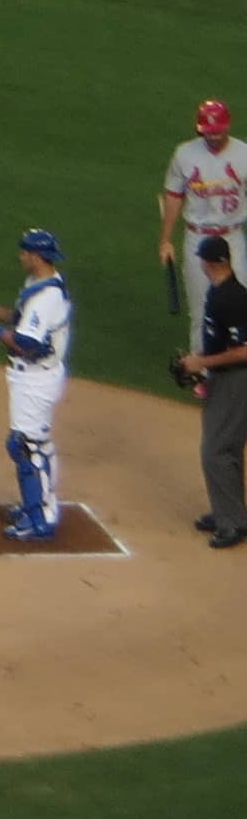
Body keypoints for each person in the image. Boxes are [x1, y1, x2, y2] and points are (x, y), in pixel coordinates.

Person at [0, 227, 69, 540]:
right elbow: (21, 319)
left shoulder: (46, 298)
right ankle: (40, 505)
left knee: (23, 445)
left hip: (35, 378)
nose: (21, 256)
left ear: (37, 256)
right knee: (37, 444)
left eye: (25, 252)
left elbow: (26, 344)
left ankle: (39, 520)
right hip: (37, 376)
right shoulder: (41, 283)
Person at [162, 102, 247, 358]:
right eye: (208, 130)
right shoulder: (184, 154)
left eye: (217, 129)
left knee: (241, 301)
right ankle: (202, 368)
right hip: (198, 237)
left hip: (232, 235)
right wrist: (165, 240)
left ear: (227, 126)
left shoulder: (244, 154)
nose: (212, 135)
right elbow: (174, 196)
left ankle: (239, 365)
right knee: (201, 308)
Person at [183, 232, 247, 550]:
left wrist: (202, 362)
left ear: (207, 263)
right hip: (222, 377)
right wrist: (203, 373)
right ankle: (229, 512)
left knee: (217, 451)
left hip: (238, 379)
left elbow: (245, 350)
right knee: (226, 448)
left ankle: (232, 523)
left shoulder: (234, 299)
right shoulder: (218, 292)